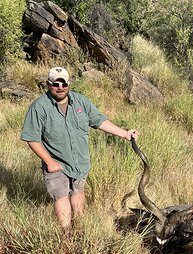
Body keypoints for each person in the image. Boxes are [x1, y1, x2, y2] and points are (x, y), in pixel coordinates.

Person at [21, 67, 139, 231]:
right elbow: (31, 138)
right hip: (56, 163)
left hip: (80, 162)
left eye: (64, 83)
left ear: (69, 84)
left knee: (78, 192)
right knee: (61, 196)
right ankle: (67, 234)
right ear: (49, 84)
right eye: (56, 83)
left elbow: (99, 121)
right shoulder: (39, 107)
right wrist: (49, 162)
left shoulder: (81, 102)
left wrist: (124, 133)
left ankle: (80, 229)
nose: (60, 87)